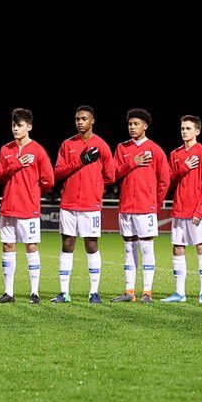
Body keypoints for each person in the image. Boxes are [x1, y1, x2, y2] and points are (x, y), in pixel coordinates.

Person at [53, 105, 115, 303]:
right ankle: (64, 292)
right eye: (77, 119)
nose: (80, 122)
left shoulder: (102, 145)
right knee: (67, 244)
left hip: (90, 205)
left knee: (91, 244)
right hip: (69, 204)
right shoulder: (67, 144)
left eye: (84, 118)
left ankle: (93, 292)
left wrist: (94, 187)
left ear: (92, 121)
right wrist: (80, 161)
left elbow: (110, 176)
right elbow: (58, 173)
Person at [0, 108, 54, 304]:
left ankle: (34, 292)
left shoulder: (38, 151)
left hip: (28, 209)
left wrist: (33, 193)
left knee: (31, 246)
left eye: (19, 125)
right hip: (8, 207)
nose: (15, 129)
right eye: (13, 125)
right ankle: (8, 292)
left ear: (29, 127)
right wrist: (16, 164)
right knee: (8, 246)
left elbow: (49, 180)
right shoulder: (5, 150)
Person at [111, 108, 170, 303]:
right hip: (126, 207)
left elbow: (164, 180)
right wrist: (132, 162)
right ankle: (129, 291)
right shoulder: (122, 148)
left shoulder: (155, 150)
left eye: (136, 124)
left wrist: (156, 204)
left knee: (147, 248)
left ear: (145, 126)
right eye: (130, 124)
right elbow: (113, 174)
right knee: (129, 248)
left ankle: (147, 292)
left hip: (145, 208)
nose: (132, 127)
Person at [163, 115, 202, 303]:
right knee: (178, 249)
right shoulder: (175, 154)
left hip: (197, 212)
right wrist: (183, 168)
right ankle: (179, 293)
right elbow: (169, 180)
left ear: (197, 131)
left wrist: (200, 210)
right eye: (182, 128)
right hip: (179, 210)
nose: (184, 131)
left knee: (201, 248)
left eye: (188, 128)